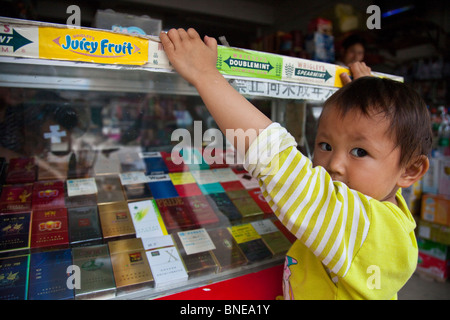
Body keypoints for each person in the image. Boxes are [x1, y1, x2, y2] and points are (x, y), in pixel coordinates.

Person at [160, 28, 432, 299]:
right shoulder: (387, 207)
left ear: (410, 170)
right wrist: (368, 97)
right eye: (325, 145)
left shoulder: (371, 231)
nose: (333, 164)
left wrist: (206, 76)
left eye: (360, 152)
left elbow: (278, 163)